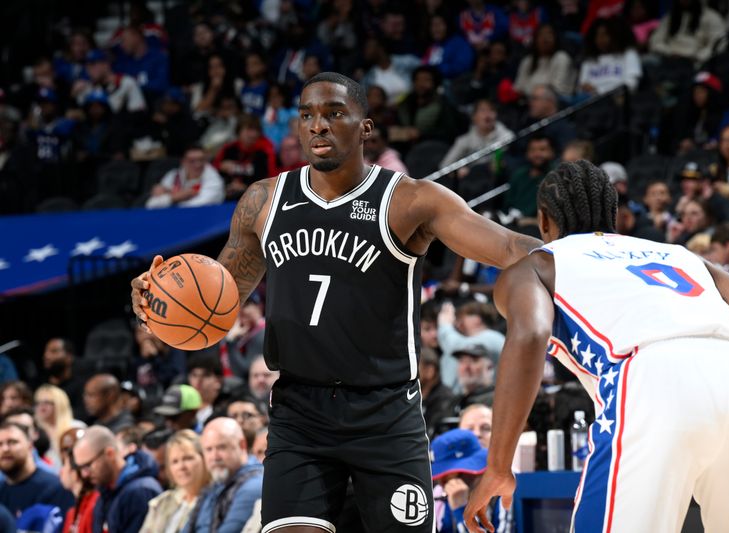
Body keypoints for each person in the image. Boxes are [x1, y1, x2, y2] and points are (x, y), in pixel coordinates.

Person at [131, 71, 539, 532]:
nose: (317, 125)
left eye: (334, 113)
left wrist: (586, 255)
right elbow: (215, 308)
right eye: (307, 115)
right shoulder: (264, 202)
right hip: (299, 413)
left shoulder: (409, 200)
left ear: (365, 127)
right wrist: (157, 306)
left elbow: (508, 247)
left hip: (386, 413)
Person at [464, 160, 729, 533]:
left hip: (654, 379)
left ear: (543, 221)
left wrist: (497, 466)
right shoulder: (680, 255)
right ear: (615, 215)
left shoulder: (538, 264)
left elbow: (529, 335)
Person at [72, 425, 162, 533]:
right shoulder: (105, 492)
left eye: (88, 465)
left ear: (110, 453)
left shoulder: (141, 492)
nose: (84, 474)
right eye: (80, 468)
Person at [183, 417, 262, 533]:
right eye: (209, 449)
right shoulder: (215, 485)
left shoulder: (255, 484)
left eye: (221, 447)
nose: (214, 457)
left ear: (242, 445)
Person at [431, 429, 509, 533]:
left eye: (445, 474)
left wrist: (461, 511)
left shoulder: (502, 491)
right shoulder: (451, 495)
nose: (441, 482)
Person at [0, 421, 74, 524]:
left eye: (13, 442)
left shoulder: (55, 488)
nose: (5, 449)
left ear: (30, 446)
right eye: (0, 444)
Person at [140, 429, 211, 533]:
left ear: (204, 459)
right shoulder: (162, 502)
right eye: (175, 461)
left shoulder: (215, 500)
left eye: (188, 458)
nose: (181, 466)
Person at [146, 145, 225, 208]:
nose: (198, 165)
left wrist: (170, 198)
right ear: (183, 161)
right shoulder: (173, 176)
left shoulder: (214, 179)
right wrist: (176, 197)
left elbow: (198, 206)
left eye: (201, 160)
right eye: (192, 161)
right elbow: (151, 204)